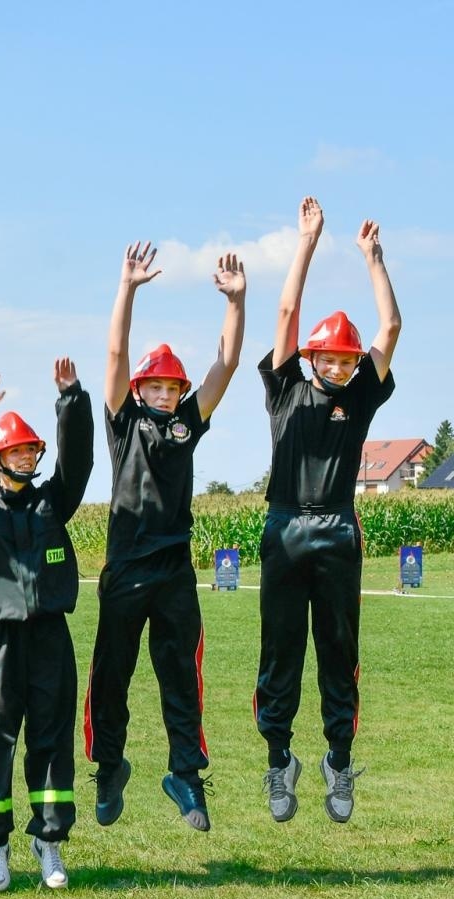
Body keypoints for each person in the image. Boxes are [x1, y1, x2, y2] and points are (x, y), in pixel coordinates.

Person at [84, 243, 246, 833]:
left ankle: (186, 775)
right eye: (153, 386)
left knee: (181, 674)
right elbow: (115, 352)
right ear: (139, 389)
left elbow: (226, 367)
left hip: (175, 569)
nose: (162, 395)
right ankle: (109, 768)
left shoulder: (185, 425)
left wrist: (236, 302)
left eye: (171, 388)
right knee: (111, 676)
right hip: (126, 569)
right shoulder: (124, 421)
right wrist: (127, 288)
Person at [256, 197, 400, 824]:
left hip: (339, 528)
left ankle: (338, 762)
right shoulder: (286, 387)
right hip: (285, 526)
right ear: (311, 357)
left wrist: (373, 258)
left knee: (339, 649)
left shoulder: (360, 395)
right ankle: (279, 761)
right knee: (281, 651)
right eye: (329, 357)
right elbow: (287, 312)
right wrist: (307, 242)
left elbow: (390, 327)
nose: (339, 365)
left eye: (347, 358)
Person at [0, 359, 92, 892]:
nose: (27, 457)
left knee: (51, 737)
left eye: (32, 450)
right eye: (17, 451)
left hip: (49, 637)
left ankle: (49, 842)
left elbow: (79, 460)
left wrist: (71, 400)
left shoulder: (54, 502)